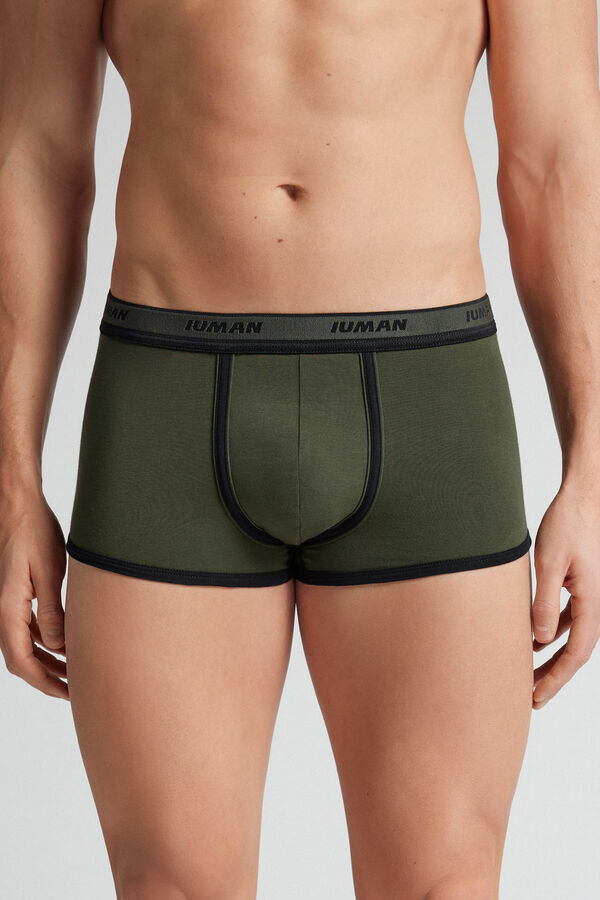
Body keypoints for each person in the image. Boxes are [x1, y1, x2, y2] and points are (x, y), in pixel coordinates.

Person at [1, 1, 599, 898]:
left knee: (443, 883)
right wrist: (13, 484)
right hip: (169, 407)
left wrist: (591, 468)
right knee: (170, 885)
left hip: (428, 410)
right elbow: (32, 150)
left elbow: (555, 154)